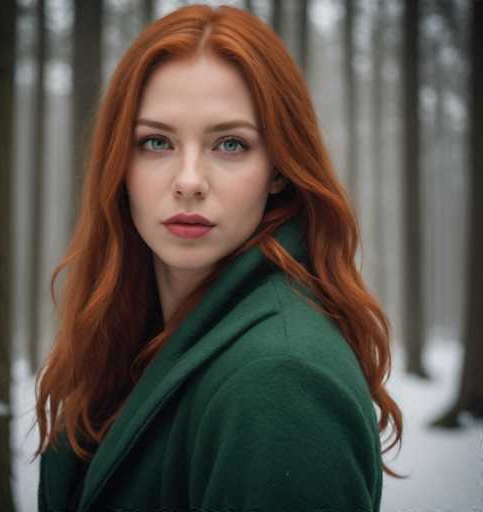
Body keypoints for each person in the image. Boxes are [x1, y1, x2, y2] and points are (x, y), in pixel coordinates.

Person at [34, 4, 405, 512]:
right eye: (156, 142)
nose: (189, 180)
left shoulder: (281, 383)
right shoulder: (130, 335)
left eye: (230, 144)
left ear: (279, 168)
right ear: (119, 163)